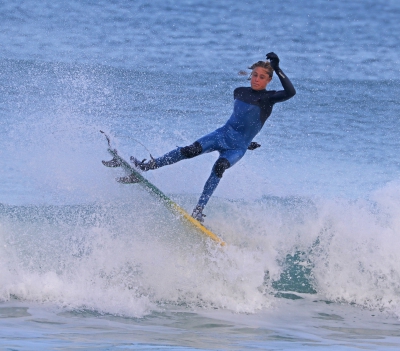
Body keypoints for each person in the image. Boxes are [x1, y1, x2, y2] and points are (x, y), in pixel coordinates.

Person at [129, 52, 296, 223]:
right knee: (189, 150)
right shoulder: (239, 92)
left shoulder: (269, 98)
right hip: (221, 135)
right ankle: (147, 166)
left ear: (268, 80)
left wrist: (277, 68)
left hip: (237, 147)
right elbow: (240, 120)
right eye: (254, 75)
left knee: (220, 167)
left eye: (262, 77)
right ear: (250, 75)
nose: (256, 79)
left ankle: (199, 209)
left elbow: (291, 92)